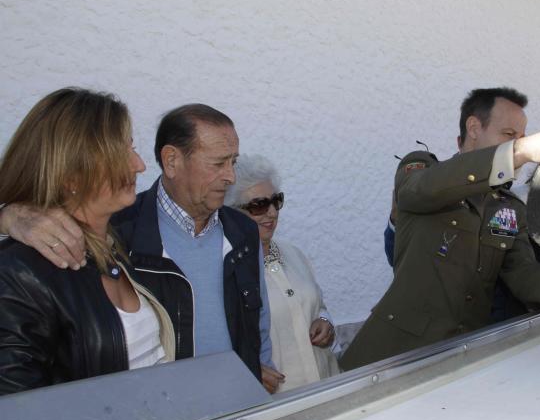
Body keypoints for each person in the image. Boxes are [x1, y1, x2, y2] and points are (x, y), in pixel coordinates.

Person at [0, 104, 283, 392]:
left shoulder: (111, 249)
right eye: (217, 163)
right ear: (172, 161)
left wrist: (252, 372)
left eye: (232, 162)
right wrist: (9, 215)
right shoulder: (121, 234)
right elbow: (20, 411)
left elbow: (256, 324)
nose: (139, 164)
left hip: (204, 415)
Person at [341, 87, 540, 370]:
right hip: (393, 360)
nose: (520, 146)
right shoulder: (421, 168)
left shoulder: (509, 208)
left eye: (522, 138)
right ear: (474, 127)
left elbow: (523, 275)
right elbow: (419, 191)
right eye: (509, 135)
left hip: (464, 359)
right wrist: (521, 151)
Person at [0, 88, 175, 395]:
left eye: (131, 148)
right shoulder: (20, 273)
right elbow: (18, 415)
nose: (139, 165)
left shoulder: (114, 244)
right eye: (121, 152)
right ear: (71, 175)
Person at [226, 155, 340, 392]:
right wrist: (249, 370)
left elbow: (318, 305)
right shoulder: (228, 270)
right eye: (258, 205)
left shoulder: (293, 253)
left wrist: (325, 322)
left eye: (275, 201)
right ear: (232, 212)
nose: (271, 213)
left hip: (328, 387)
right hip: (280, 403)